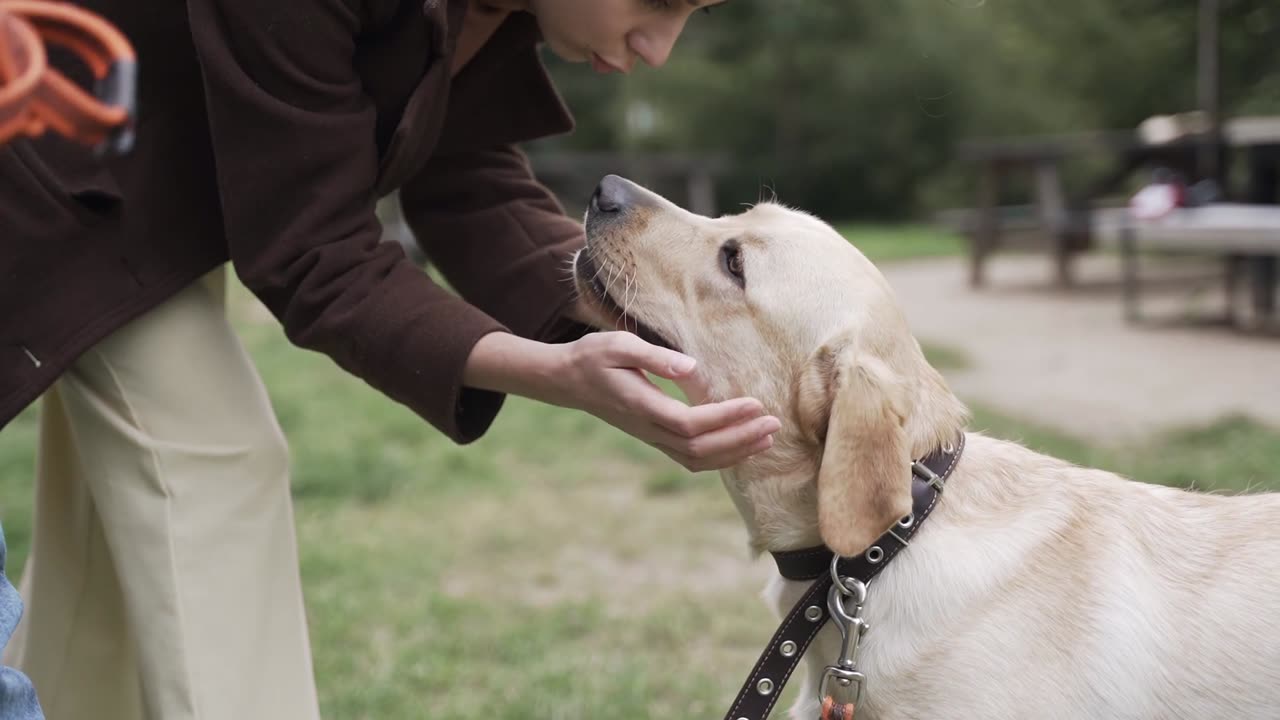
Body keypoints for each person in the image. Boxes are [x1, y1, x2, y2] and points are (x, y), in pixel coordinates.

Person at [0, 0, 779, 718]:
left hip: (134, 203)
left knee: (114, 539)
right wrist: (547, 372)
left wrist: (640, 313)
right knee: (213, 468)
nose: (659, 46)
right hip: (46, 166)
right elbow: (316, 254)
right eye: (661, 0)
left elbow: (470, 182)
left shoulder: (496, 10)